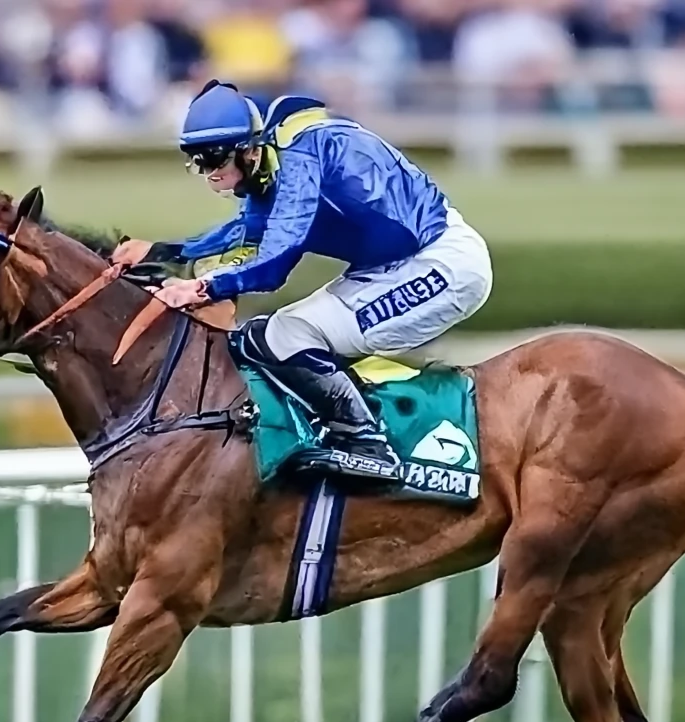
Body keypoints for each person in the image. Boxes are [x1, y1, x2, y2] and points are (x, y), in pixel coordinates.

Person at [111, 80, 492, 482]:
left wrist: (202, 287)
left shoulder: (300, 156)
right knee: (260, 339)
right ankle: (339, 427)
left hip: (441, 264)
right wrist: (163, 252)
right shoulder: (271, 162)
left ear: (249, 148)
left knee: (289, 337)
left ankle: (368, 445)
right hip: (392, 265)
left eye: (214, 158)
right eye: (197, 160)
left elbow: (276, 259)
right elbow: (248, 230)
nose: (208, 172)